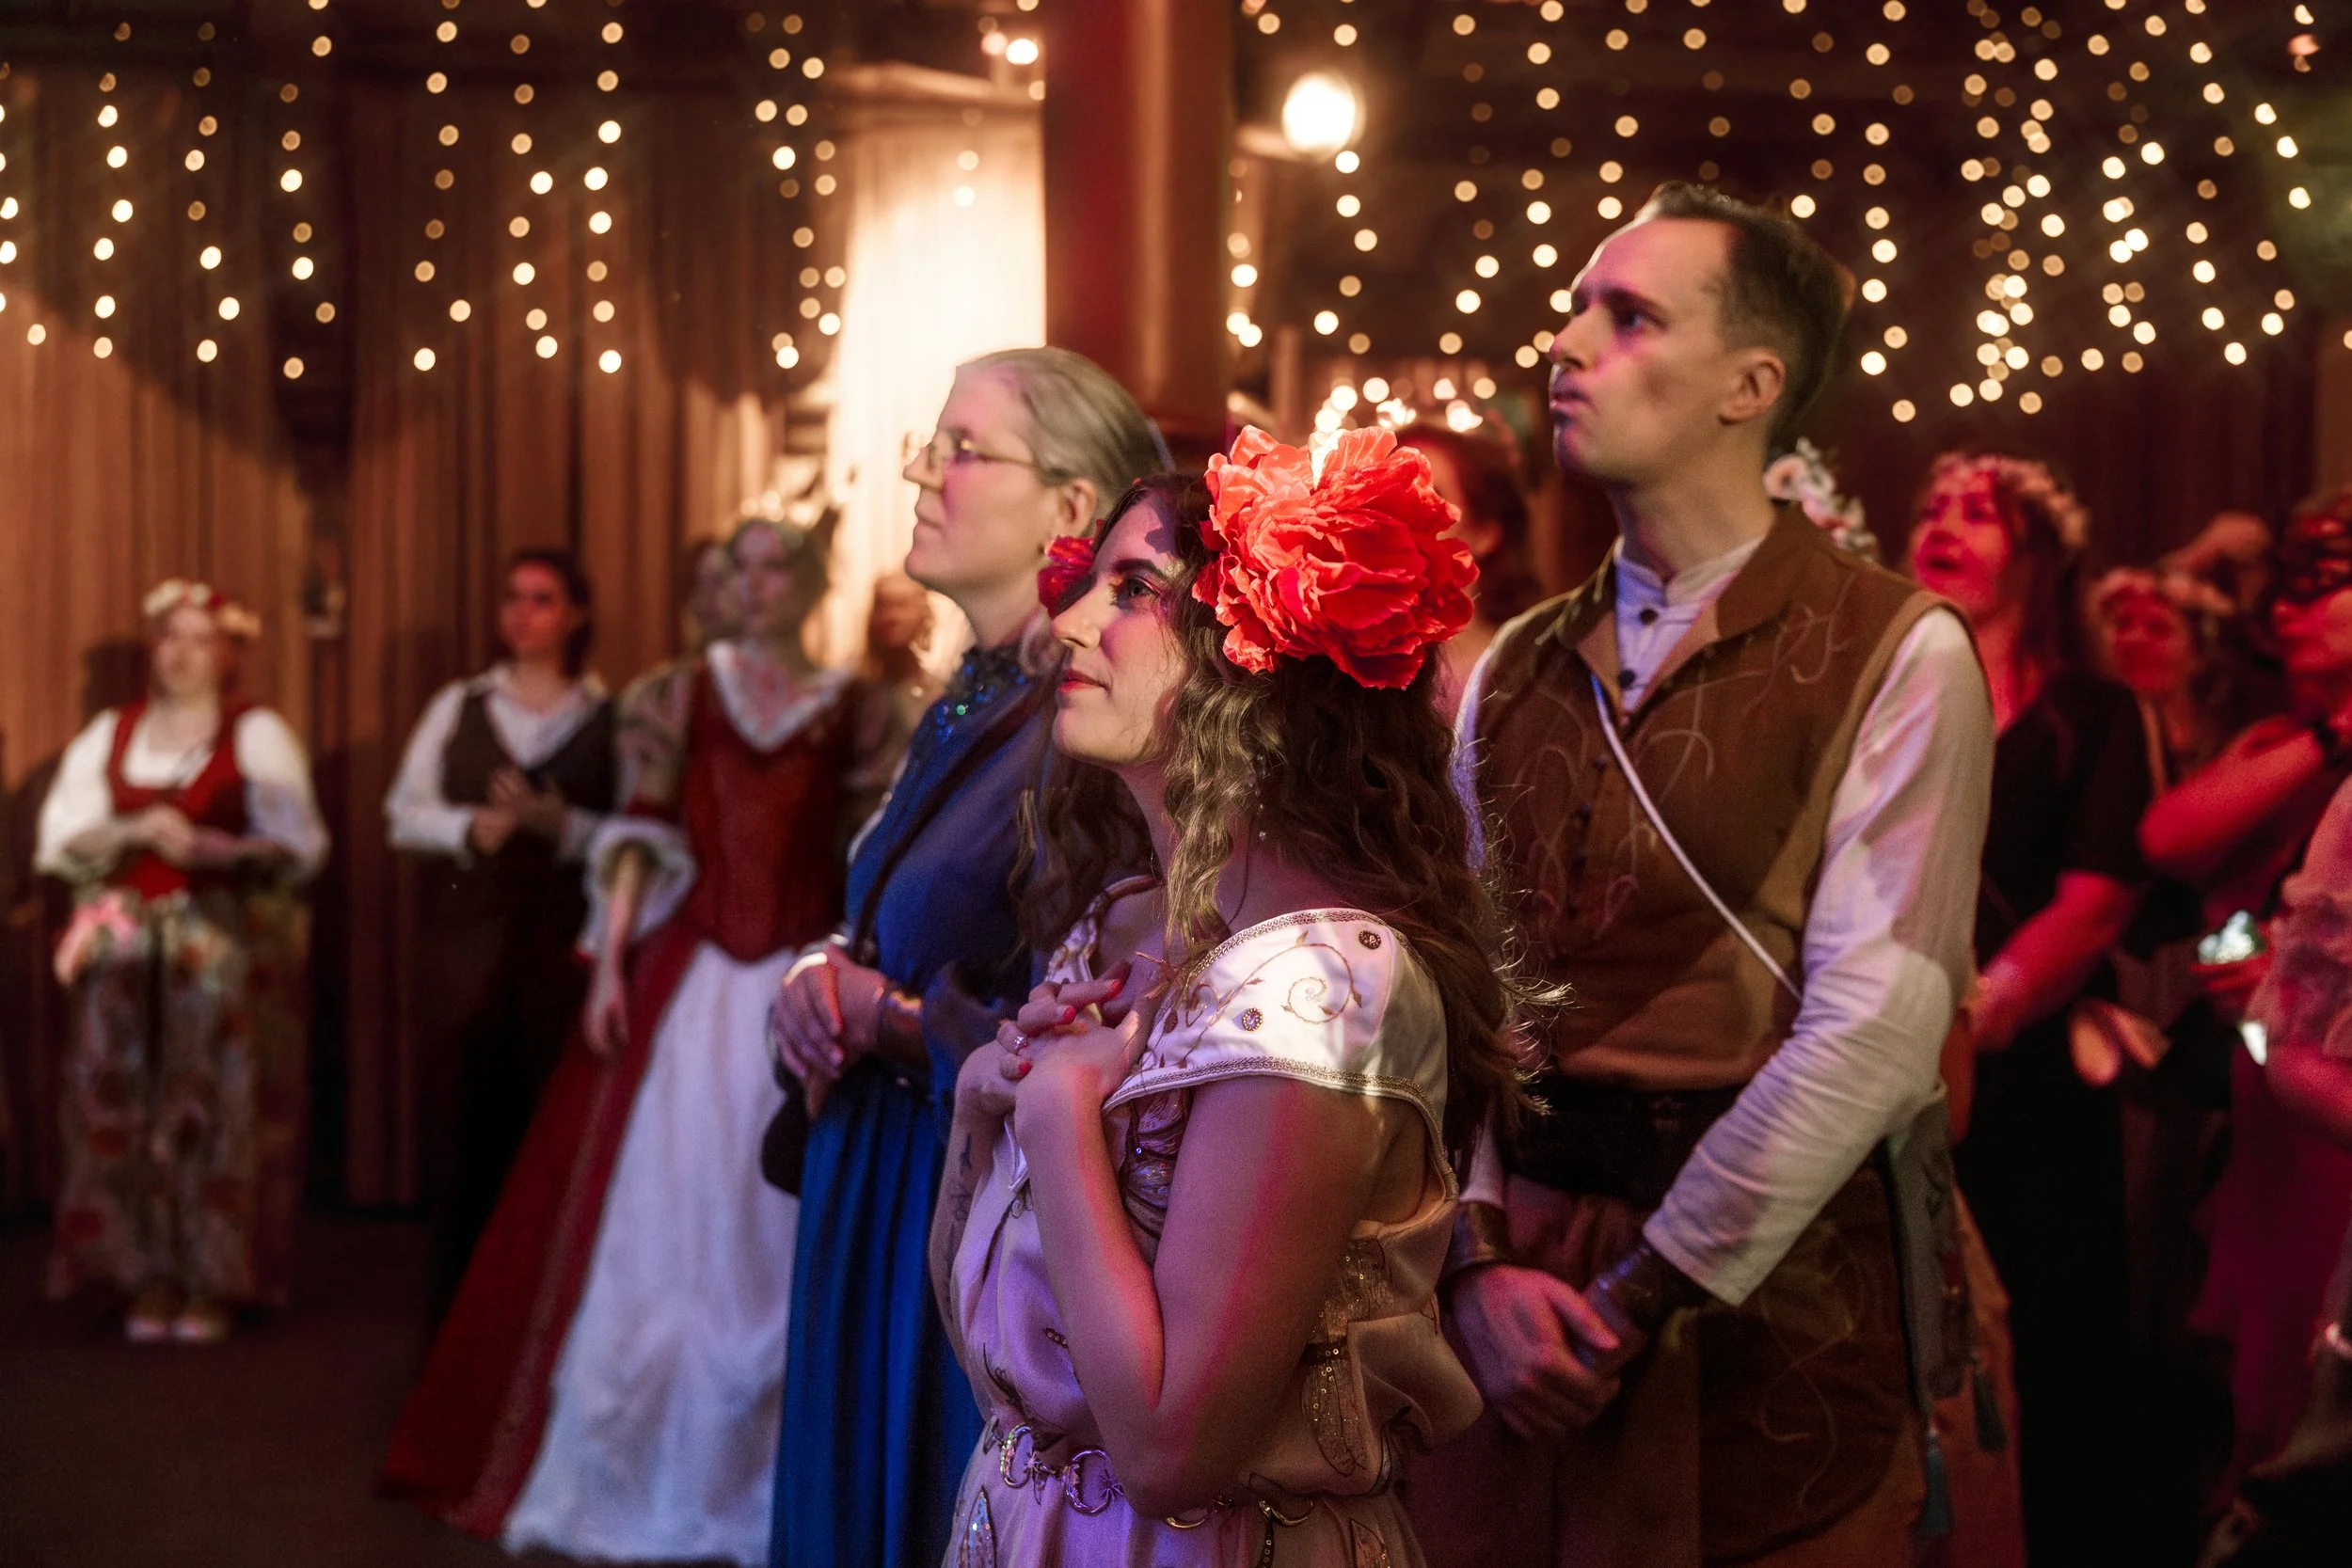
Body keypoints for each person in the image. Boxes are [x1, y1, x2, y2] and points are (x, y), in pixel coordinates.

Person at [1413, 183, 1994, 1568]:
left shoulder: (1897, 648)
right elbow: (1462, 997)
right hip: (1520, 1296)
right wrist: (1478, 1265)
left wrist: (1628, 1296)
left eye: (1627, 317)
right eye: (1573, 309)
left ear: (1753, 383)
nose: (1564, 343)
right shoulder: (1517, 665)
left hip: (1774, 1302)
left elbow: (1877, 1031)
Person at [934, 441, 1517, 1563]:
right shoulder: (1115, 925)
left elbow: (1169, 1453)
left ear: (1253, 655)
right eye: (1085, 584)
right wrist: (975, 1104)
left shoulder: (1325, 981)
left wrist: (1057, 1119)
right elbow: (991, 1343)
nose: (1065, 625)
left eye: (1136, 590)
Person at [384, 515, 880, 1566]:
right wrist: (608, 962)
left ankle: (767, 1475)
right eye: (738, 566)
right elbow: (644, 836)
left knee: (765, 1231)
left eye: (775, 565)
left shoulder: (858, 706)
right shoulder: (673, 691)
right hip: (687, 975)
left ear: (806, 581)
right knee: (660, 1222)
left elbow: (864, 855)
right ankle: (631, 1454)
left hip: (789, 977)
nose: (756, 584)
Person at [766, 347, 1162, 1568]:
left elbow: (1083, 1021)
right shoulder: (977, 692)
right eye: (930, 448)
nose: (924, 474)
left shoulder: (1080, 724)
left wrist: (884, 1013)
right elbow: (894, 904)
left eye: (962, 449)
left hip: (959, 1179)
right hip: (880, 1161)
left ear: (1071, 508)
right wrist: (819, 968)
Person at [37, 580, 328, 1343]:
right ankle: (142, 1273)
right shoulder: (114, 729)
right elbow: (63, 835)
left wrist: (216, 847)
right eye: (170, 635)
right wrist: (135, 828)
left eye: (200, 637)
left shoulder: (255, 732)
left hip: (216, 939)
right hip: (128, 943)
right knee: (119, 1099)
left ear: (229, 652)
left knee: (211, 1105)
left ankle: (213, 1278)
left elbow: (300, 845)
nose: (182, 651)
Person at [2143, 489, 2352, 1503]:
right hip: (2262, 1121)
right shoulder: (2279, 739)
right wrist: (2333, 737)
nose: (2286, 611)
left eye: (2323, 589)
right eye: (2285, 590)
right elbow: (2168, 837)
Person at [384, 548, 617, 1319]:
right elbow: (401, 811)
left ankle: (545, 1313)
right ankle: (459, 1315)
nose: (522, 613)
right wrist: (467, 825)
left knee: (550, 1126)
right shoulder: (462, 704)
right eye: (512, 597)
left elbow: (634, 837)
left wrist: (560, 825)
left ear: (574, 614)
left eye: (542, 599)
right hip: (468, 944)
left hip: (559, 950)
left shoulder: (605, 713)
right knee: (466, 1125)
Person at [1392, 422, 1544, 716]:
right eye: (1388, 491)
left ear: (1485, 533)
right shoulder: (1340, 668)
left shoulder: (1520, 677)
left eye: (1427, 496)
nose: (1397, 512)